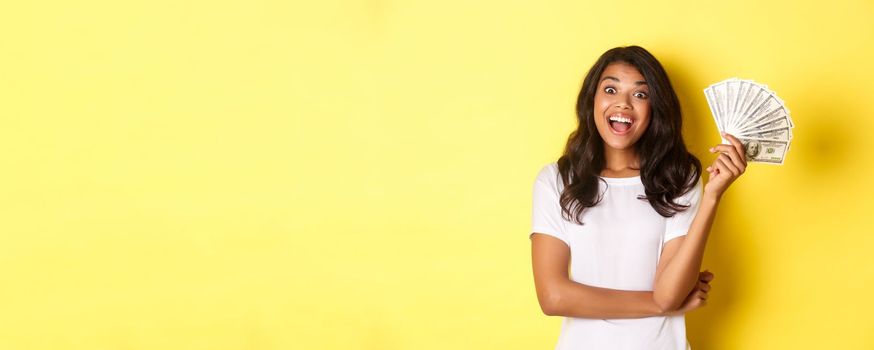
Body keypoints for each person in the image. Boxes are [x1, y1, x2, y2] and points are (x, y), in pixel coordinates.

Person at [530, 46, 747, 350]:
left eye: (640, 95)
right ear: (592, 99)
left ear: (655, 108)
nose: (623, 103)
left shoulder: (679, 179)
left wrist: (712, 197)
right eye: (610, 89)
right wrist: (657, 305)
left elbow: (670, 293)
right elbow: (553, 297)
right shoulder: (556, 180)